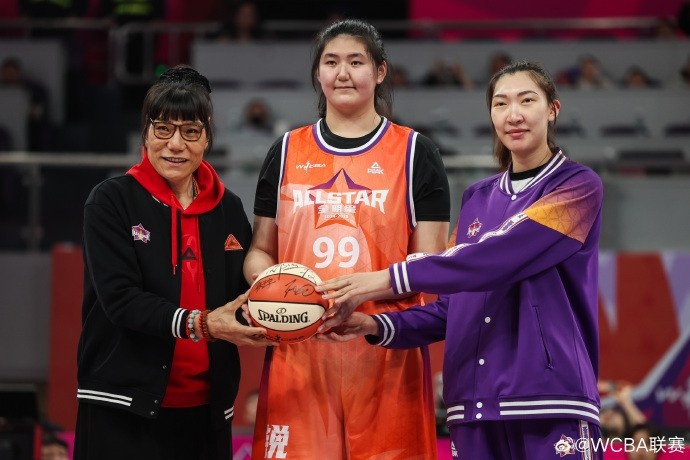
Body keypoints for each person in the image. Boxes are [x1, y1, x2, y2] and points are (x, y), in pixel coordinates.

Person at [317, 60, 605, 460]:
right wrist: (374, 324)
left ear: (553, 109)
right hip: (472, 406)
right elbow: (454, 306)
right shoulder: (477, 198)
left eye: (527, 100)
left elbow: (495, 256)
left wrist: (386, 278)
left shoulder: (577, 186)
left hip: (549, 402)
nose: (514, 115)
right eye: (501, 104)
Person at [243, 18, 451, 459]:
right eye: (331, 62)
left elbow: (431, 265)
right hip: (300, 355)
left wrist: (362, 291)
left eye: (356, 62)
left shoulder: (416, 152)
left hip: (386, 352)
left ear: (380, 71)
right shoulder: (285, 151)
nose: (342, 73)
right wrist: (275, 289)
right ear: (318, 73)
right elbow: (260, 251)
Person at [74, 65, 275, 460]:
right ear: (145, 134)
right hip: (121, 408)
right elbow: (120, 299)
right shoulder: (111, 200)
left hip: (207, 413)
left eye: (190, 131)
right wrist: (201, 324)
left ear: (207, 137)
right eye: (163, 129)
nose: (175, 144)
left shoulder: (229, 208)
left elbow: (241, 299)